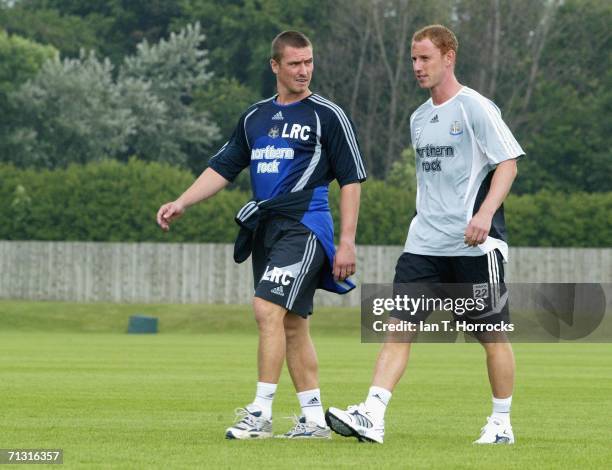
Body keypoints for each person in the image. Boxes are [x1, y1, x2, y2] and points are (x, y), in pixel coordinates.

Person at [156, 30, 366, 440]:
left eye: (309, 62)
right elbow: (223, 167)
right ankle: (312, 419)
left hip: (305, 226)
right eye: (294, 63)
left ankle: (260, 414)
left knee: (266, 309)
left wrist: (347, 241)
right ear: (275, 66)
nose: (304, 71)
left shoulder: (328, 115)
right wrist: (182, 201)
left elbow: (352, 180)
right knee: (291, 325)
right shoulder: (255, 118)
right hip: (266, 231)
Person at [325, 24, 524, 444]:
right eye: (413, 59)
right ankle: (373, 415)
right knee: (399, 326)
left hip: (475, 248)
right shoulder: (418, 118)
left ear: (448, 57)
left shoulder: (475, 108)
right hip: (423, 245)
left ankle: (502, 424)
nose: (417, 67)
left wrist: (485, 214)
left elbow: (508, 163)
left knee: (491, 336)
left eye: (425, 58)